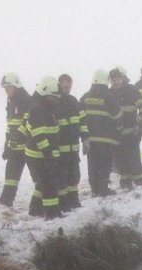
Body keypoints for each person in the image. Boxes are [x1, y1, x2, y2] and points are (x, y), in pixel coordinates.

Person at [22, 76, 63, 220]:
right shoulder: (38, 109)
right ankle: (52, 215)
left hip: (41, 155)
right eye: (53, 97)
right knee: (49, 185)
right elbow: (39, 134)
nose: (56, 99)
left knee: (42, 184)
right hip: (38, 155)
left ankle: (35, 209)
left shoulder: (44, 107)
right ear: (45, 94)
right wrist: (48, 154)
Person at [79, 68, 121, 197]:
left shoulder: (85, 97)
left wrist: (84, 136)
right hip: (107, 140)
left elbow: (80, 118)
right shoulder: (109, 97)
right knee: (105, 164)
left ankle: (95, 189)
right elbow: (117, 116)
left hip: (90, 140)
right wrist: (119, 130)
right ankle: (103, 189)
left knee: (93, 164)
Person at [0, 72, 32, 207]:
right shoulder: (11, 101)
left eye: (8, 88)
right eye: (5, 88)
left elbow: (28, 119)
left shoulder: (26, 100)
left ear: (16, 86)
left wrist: (20, 135)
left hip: (28, 146)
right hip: (15, 146)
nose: (6, 91)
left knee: (38, 176)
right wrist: (7, 144)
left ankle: (43, 201)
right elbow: (10, 124)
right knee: (11, 174)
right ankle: (7, 199)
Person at [109, 66, 142, 189]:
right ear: (110, 80)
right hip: (117, 134)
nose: (116, 81)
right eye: (113, 79)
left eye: (118, 78)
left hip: (132, 132)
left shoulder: (131, 90)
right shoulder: (109, 93)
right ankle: (125, 182)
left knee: (133, 156)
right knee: (120, 158)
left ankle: (139, 181)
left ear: (122, 78)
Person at [56, 74, 82, 211]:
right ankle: (64, 204)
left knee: (74, 177)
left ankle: (74, 201)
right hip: (61, 149)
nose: (67, 86)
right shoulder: (55, 101)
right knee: (62, 178)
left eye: (69, 84)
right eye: (64, 84)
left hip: (74, 148)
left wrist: (86, 138)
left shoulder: (73, 101)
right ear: (59, 84)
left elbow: (82, 120)